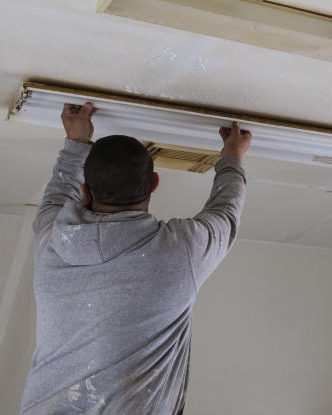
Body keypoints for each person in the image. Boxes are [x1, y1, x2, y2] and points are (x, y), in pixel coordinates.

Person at [20, 102, 252, 415]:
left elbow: (58, 196)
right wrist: (77, 140)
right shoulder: (177, 251)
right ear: (154, 185)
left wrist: (233, 157)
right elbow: (225, 213)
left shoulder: (52, 240)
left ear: (86, 192)